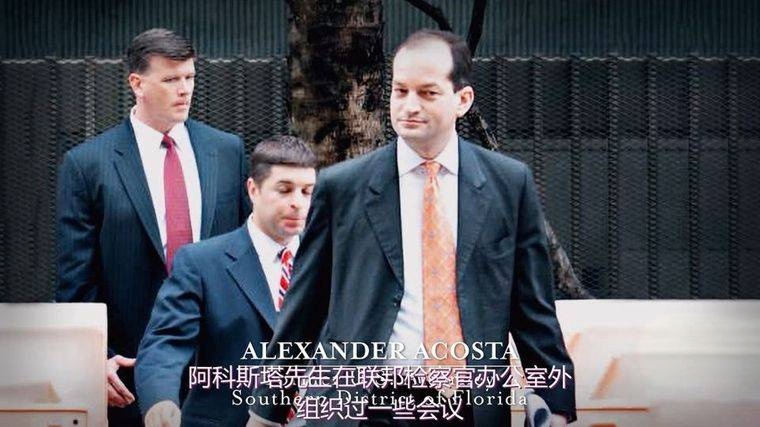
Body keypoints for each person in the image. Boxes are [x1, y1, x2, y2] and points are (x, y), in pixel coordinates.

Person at [248, 29, 576, 426]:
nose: (409, 106)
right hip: (365, 408)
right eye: (400, 91)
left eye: (427, 93)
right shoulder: (342, 188)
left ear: (462, 100)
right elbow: (304, 308)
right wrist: (265, 413)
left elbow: (533, 310)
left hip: (468, 407)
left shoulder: (508, 184)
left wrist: (556, 405)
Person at [56, 28, 250, 426]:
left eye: (190, 77)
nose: (185, 89)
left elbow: (248, 253)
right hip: (130, 369)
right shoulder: (88, 164)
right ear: (137, 83)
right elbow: (76, 281)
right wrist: (93, 358)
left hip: (222, 370)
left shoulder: (226, 150)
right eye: (171, 79)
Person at [135, 136, 317, 427]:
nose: (298, 203)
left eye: (307, 192)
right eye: (284, 190)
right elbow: (165, 343)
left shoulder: (331, 260)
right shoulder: (201, 262)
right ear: (253, 189)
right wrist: (161, 402)